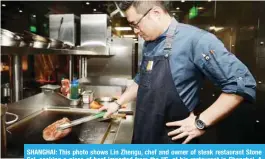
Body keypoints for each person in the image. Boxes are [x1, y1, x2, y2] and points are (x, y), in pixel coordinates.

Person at [99, 1, 256, 144]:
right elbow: (142, 79)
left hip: (172, 142)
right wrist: (117, 104)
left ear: (156, 13)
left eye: (136, 24)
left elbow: (241, 83)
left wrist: (201, 122)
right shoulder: (150, 43)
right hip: (144, 136)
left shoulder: (196, 40)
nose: (136, 32)